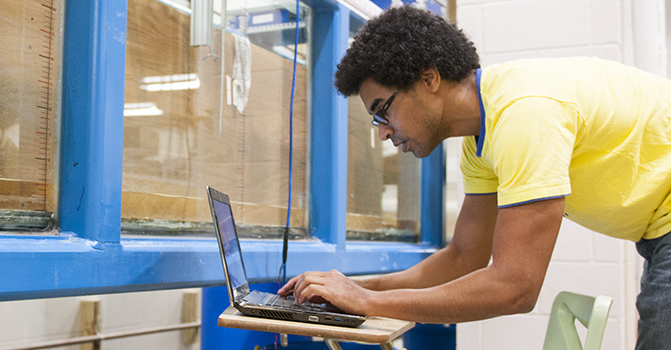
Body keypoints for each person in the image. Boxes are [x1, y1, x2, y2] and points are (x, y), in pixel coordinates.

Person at [276, 5, 671, 349]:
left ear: (428, 79)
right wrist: (359, 289)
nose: (382, 131)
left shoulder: (523, 114)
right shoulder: (483, 138)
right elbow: (464, 258)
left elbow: (514, 288)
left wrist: (368, 304)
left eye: (383, 110)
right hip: (656, 236)